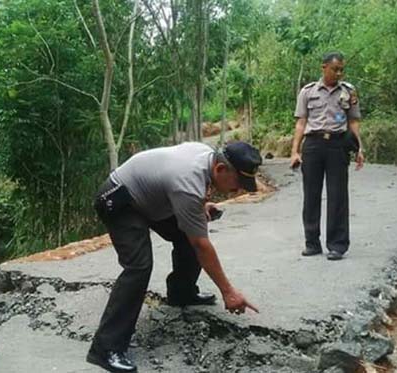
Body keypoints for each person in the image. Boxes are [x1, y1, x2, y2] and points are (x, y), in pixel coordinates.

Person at [87, 141, 261, 372]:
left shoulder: (207, 156)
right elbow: (201, 244)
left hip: (151, 200)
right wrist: (228, 292)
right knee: (139, 267)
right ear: (220, 169)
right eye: (239, 183)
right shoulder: (187, 184)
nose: (238, 190)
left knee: (187, 236)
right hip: (119, 201)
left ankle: (182, 293)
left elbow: (183, 193)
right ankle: (105, 348)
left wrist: (201, 206)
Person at [290, 51, 365, 261]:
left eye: (341, 69)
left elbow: (353, 122)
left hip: (338, 145)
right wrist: (295, 151)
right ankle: (312, 243)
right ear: (324, 67)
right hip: (313, 145)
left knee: (337, 195)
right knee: (311, 195)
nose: (338, 73)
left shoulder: (349, 92)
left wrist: (360, 147)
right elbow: (301, 123)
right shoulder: (307, 92)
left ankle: (337, 245)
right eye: (335, 69)